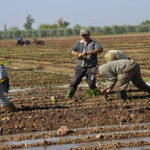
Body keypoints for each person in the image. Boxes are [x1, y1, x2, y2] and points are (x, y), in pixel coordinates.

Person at [65, 28, 103, 98]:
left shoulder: (94, 43)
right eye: (83, 35)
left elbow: (100, 49)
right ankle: (68, 95)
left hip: (91, 67)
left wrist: (89, 53)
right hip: (80, 66)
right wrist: (77, 54)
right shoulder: (78, 43)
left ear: (89, 35)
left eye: (86, 35)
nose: (84, 36)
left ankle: (95, 95)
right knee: (74, 81)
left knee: (91, 83)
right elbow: (71, 51)